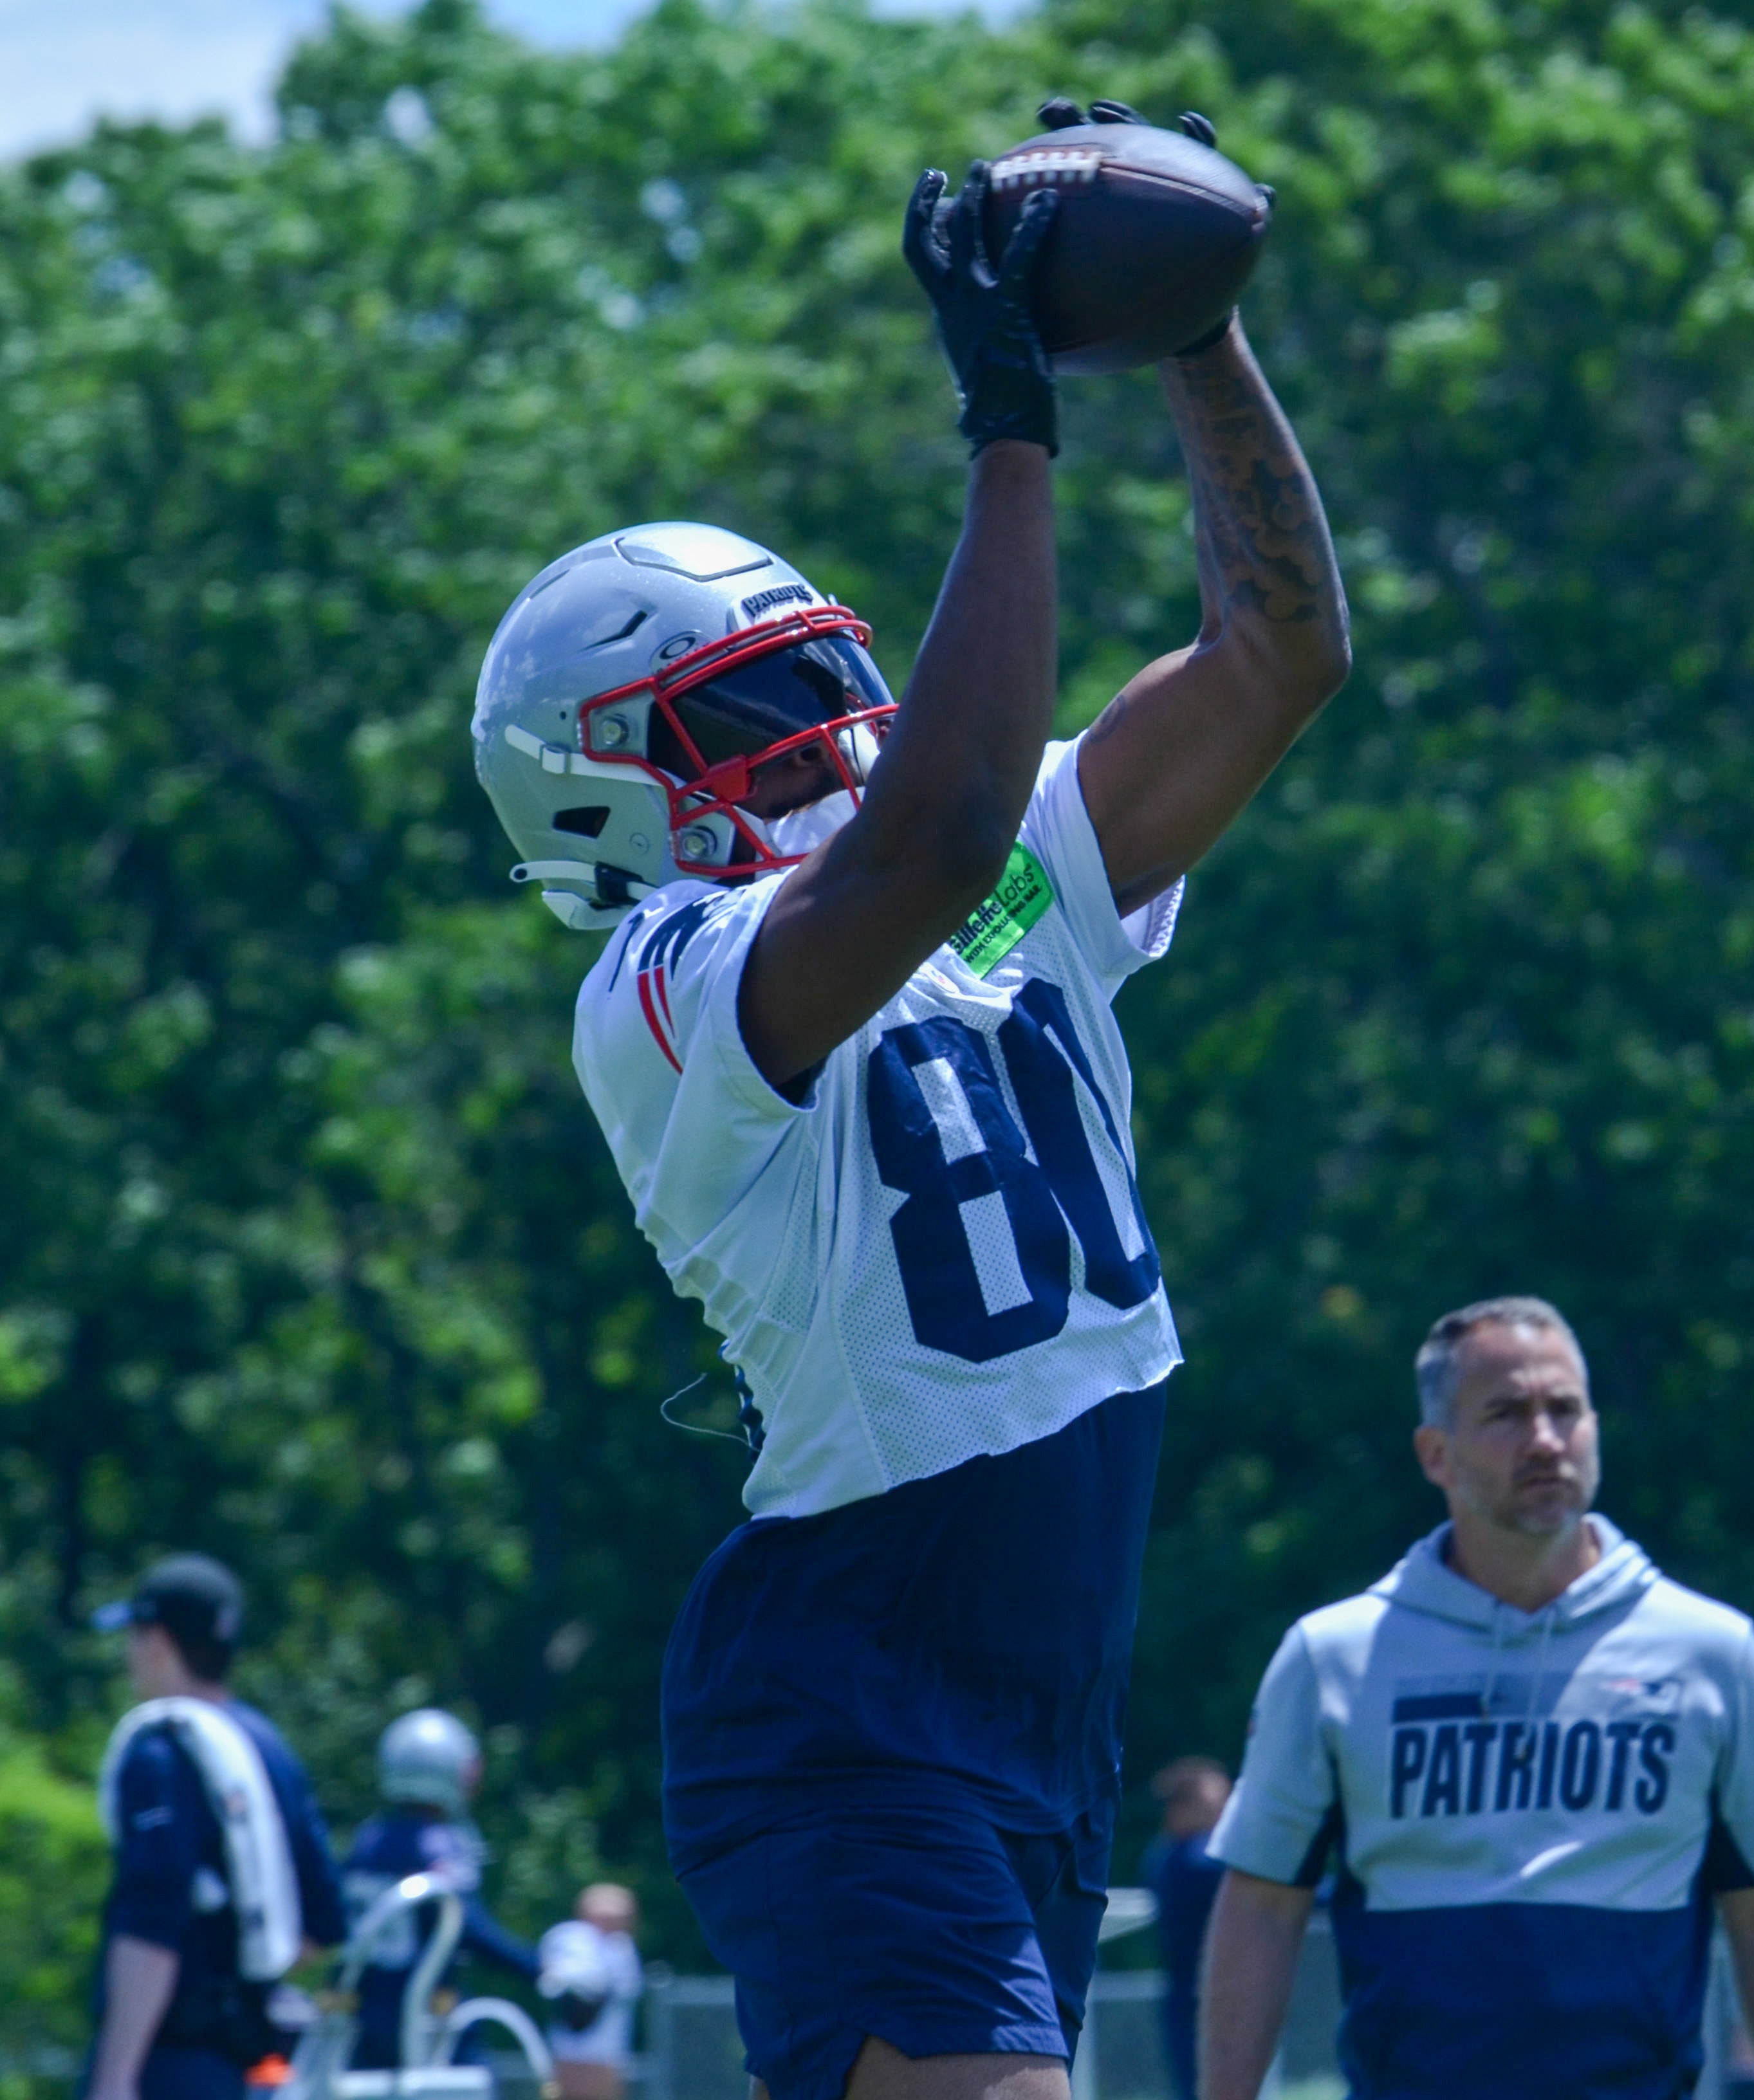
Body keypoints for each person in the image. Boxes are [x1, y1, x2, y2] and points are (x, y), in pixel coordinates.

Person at [465, 90, 1347, 2100]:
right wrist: (1009, 421)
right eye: (753, 706)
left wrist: (1196, 331)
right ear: (607, 793)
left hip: (1040, 1695)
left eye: (820, 668)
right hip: (847, 1696)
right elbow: (937, 820)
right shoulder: (660, 986)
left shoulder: (1000, 865)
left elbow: (1279, 654)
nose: (825, 720)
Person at [1199, 1296, 1754, 2100]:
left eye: (1564, 1410)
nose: (1544, 1440)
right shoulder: (1332, 1657)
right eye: (1505, 1414)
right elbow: (1262, 1903)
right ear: (1435, 1453)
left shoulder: (1713, 1652)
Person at [85, 1554, 349, 2100]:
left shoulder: (162, 1750)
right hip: (255, 2062)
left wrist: (116, 2074)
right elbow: (323, 1921)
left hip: (168, 2061)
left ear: (157, 1642)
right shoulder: (269, 1748)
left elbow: (151, 1923)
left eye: (134, 1639)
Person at [339, 1708, 541, 2068]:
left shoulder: (368, 1840)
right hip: (429, 2018)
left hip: (367, 2017)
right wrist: (538, 1967)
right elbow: (468, 1927)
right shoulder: (439, 1843)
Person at [1144, 1760, 1232, 2100]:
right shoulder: (1193, 1859)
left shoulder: (1163, 1855)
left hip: (1192, 1997)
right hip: (1203, 1999)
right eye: (1216, 1804)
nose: (1227, 1812)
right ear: (1180, 1809)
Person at [539, 1883, 647, 2100]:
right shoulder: (571, 1939)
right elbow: (578, 1980)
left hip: (609, 2049)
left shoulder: (622, 1947)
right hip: (575, 2047)